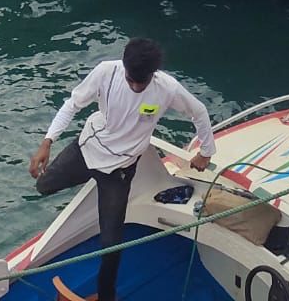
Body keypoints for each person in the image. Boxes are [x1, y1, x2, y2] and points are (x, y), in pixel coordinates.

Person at [30, 40, 215, 301]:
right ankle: (88, 186)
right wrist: (47, 142)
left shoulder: (168, 88)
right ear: (124, 66)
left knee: (112, 247)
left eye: (143, 82)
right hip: (88, 150)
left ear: (154, 74)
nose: (136, 86)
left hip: (119, 172)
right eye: (132, 80)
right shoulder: (106, 72)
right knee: (43, 185)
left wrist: (206, 151)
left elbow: (199, 112)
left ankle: (106, 297)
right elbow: (72, 104)